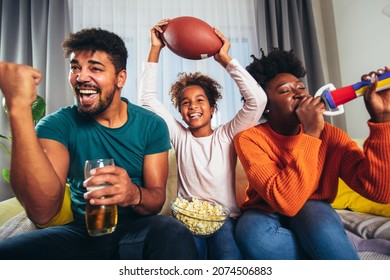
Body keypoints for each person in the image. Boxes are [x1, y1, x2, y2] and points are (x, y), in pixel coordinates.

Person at [0, 28, 198, 260]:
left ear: (120, 78)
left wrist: (132, 194)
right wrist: (19, 108)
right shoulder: (56, 125)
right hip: (81, 233)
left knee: (172, 230)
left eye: (95, 68)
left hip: (138, 232)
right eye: (75, 68)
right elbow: (43, 214)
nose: (81, 77)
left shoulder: (151, 125)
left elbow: (155, 200)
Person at [233, 48, 390, 260]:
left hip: (312, 208)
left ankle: (333, 244)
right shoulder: (250, 139)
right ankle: (344, 244)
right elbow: (286, 202)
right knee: (254, 237)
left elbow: (380, 192)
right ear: (265, 106)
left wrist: (382, 120)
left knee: (314, 215)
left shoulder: (331, 135)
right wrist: (310, 134)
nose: (299, 94)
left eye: (301, 88)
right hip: (266, 211)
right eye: (284, 91)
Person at [139, 19, 267, 260]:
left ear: (212, 108)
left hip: (225, 220)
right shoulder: (179, 135)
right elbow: (147, 99)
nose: (193, 106)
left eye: (200, 100)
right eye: (185, 102)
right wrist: (155, 48)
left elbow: (258, 101)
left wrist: (225, 60)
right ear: (179, 111)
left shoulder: (228, 134)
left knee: (228, 262)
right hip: (188, 221)